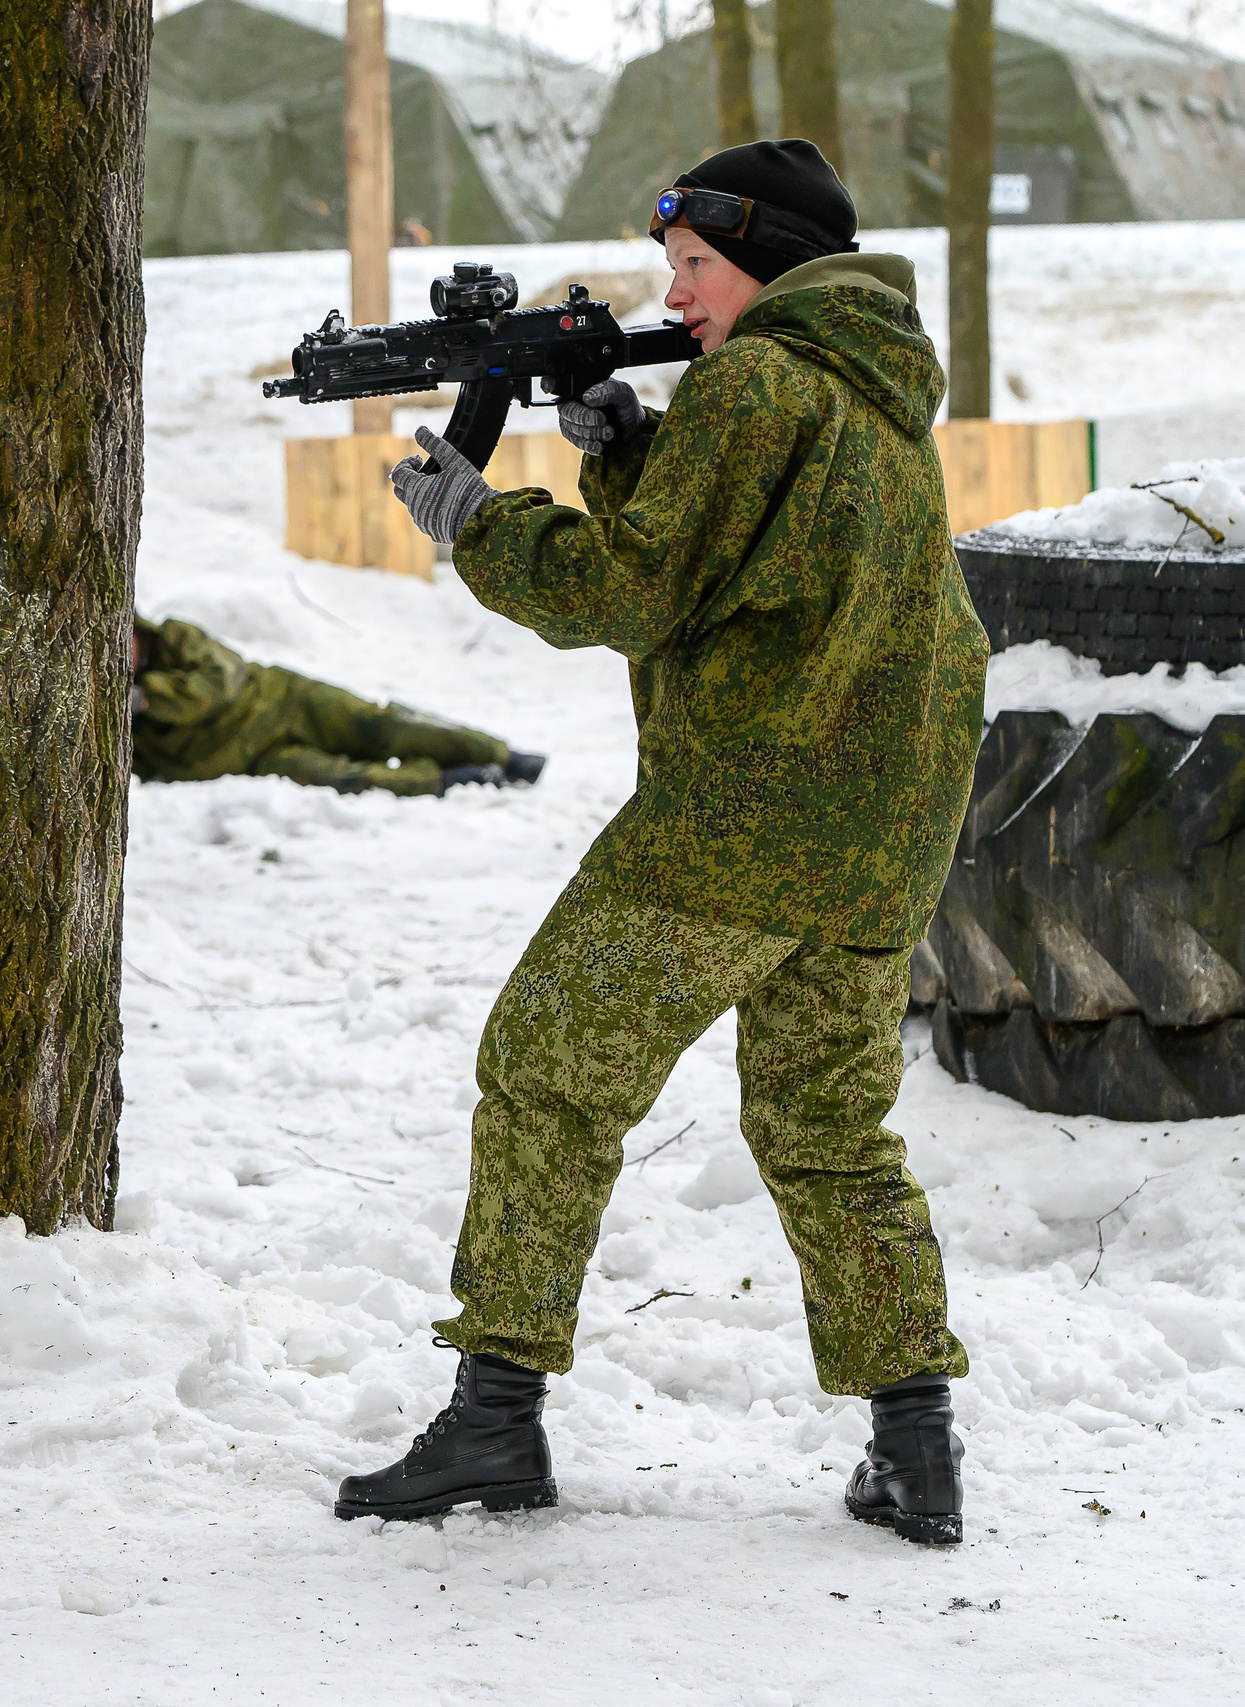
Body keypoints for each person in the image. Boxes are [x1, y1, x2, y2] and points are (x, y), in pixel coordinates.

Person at [344, 140, 988, 1545]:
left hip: (745, 822)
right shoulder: (867, 385)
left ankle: (496, 1418)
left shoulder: (759, 383)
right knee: (827, 1128)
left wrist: (483, 523)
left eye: (695, 267)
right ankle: (916, 1438)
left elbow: (637, 596)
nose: (678, 295)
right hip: (885, 832)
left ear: (764, 263)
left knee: (545, 1066)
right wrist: (635, 449)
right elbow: (741, 572)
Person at [132, 615, 544, 798]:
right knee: (348, 780)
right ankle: (449, 780)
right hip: (258, 758)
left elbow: (223, 681)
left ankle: (502, 755)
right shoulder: (128, 726)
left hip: (287, 699)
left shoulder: (174, 637)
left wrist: (150, 697)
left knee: (383, 726)